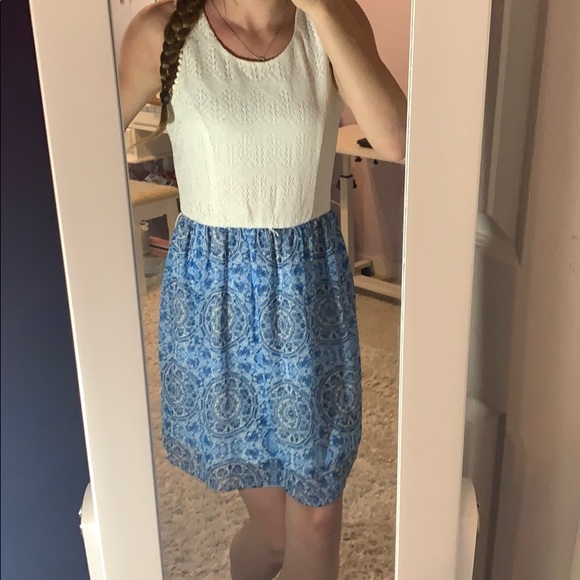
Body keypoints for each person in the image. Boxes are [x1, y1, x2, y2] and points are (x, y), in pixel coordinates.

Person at [118, 0, 406, 578]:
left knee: (317, 521)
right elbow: (77, 152)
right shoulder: (161, 30)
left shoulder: (332, 18)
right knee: (273, 536)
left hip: (308, 295)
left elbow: (397, 140)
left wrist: (320, 7)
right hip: (216, 302)